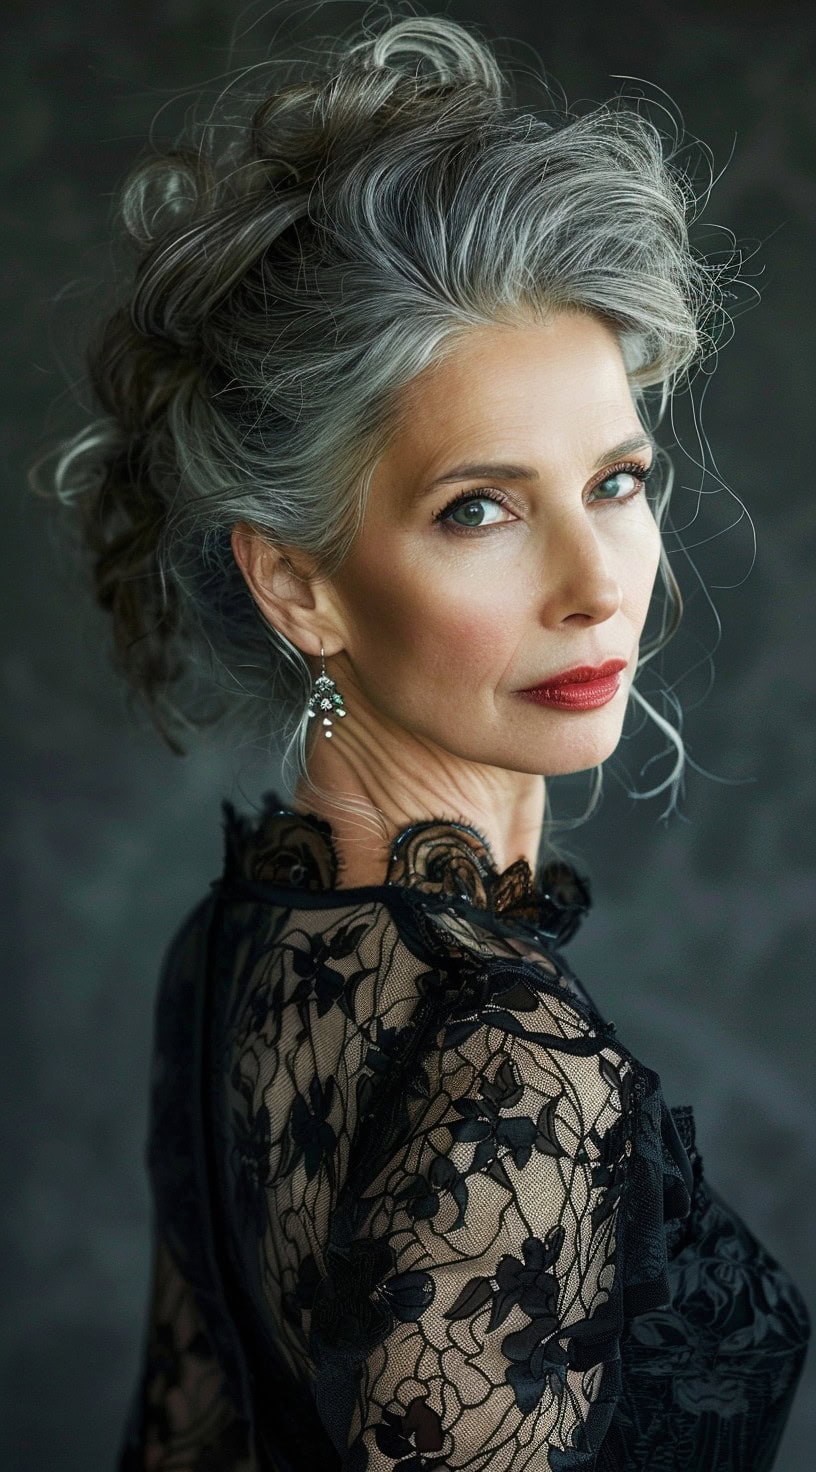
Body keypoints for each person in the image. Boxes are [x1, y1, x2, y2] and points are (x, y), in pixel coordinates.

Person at [38, 10, 810, 1469]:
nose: (598, 586)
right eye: (482, 508)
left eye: (620, 480)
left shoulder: (241, 946)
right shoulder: (519, 1066)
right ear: (299, 581)